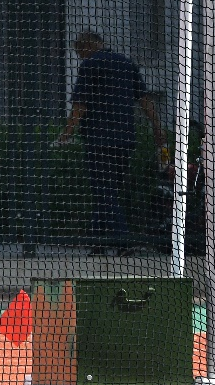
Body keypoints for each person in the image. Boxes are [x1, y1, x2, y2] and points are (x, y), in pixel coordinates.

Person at [56, 32, 164, 253]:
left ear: (87, 46)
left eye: (80, 52)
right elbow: (145, 100)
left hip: (98, 139)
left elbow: (80, 105)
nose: (80, 57)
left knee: (103, 191)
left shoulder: (91, 65)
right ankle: (98, 243)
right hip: (125, 139)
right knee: (108, 192)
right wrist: (158, 129)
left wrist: (65, 134)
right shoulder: (126, 64)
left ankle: (122, 242)